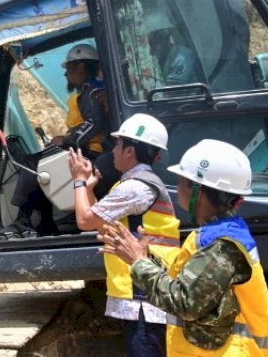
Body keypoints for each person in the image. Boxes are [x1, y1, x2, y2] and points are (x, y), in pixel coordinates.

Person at [99, 139, 268, 355]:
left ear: (197, 191)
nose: (178, 189)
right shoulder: (218, 235)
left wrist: (139, 263)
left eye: (182, 181)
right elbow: (188, 281)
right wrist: (146, 259)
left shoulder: (222, 245)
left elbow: (183, 302)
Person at [69, 113, 180, 357]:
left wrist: (77, 181)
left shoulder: (136, 188)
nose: (114, 151)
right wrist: (88, 188)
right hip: (142, 296)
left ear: (130, 151)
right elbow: (103, 225)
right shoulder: (130, 186)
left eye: (118, 145)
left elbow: (85, 221)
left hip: (145, 299)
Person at [3, 43, 115, 238]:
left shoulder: (92, 92)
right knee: (44, 167)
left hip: (91, 153)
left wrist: (67, 140)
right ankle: (46, 223)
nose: (65, 74)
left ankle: (23, 222)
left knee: (33, 164)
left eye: (69, 68)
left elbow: (94, 123)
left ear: (81, 66)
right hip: (88, 150)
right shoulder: (92, 91)